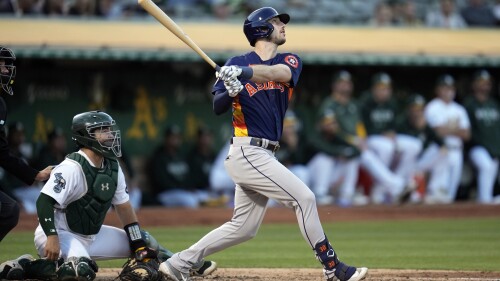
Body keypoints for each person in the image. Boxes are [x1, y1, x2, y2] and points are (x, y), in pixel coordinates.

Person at [159, 7, 368, 281]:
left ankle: (178, 263)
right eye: (276, 21)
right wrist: (230, 91)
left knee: (244, 228)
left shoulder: (288, 60)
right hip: (247, 151)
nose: (282, 25)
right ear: (260, 29)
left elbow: (278, 74)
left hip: (265, 154)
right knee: (304, 198)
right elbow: (217, 107)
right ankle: (333, 267)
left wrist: (242, 74)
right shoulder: (235, 61)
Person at [0, 111, 216, 280]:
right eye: (102, 130)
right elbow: (44, 201)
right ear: (86, 136)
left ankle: (183, 263)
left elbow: (124, 208)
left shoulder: (112, 166)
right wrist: (52, 237)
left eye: (110, 129)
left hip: (91, 235)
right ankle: (28, 265)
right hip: (59, 233)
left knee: (145, 241)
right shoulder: (72, 166)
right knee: (80, 272)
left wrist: (138, 245)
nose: (111, 135)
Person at [0, 46, 53, 242]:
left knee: (8, 210)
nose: (6, 70)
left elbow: (2, 153)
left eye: (6, 65)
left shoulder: (1, 105)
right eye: (1, 65)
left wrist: (35, 174)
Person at [424, 74, 471, 204]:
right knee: (438, 190)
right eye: (444, 88)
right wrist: (456, 129)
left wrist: (448, 129)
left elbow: (467, 134)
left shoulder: (459, 109)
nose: (448, 91)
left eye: (450, 88)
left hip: (457, 150)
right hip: (440, 150)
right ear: (438, 90)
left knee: (451, 192)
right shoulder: (433, 106)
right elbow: (438, 131)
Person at [463, 70, 500, 204]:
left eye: (486, 83)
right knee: (486, 166)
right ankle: (484, 203)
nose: (484, 86)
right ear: (474, 85)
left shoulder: (494, 104)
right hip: (477, 148)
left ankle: (486, 200)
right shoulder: (469, 104)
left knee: (490, 171)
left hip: (495, 149)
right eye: (480, 82)